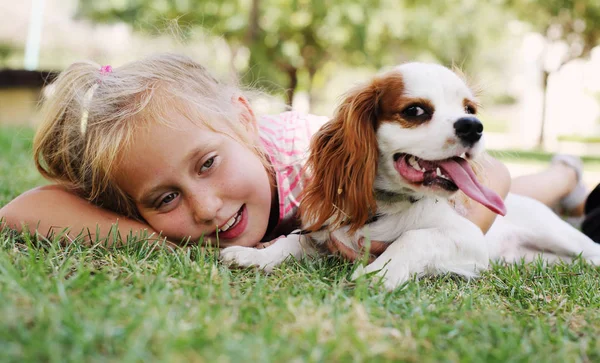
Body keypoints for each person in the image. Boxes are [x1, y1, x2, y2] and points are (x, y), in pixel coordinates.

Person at [0, 53, 512, 252]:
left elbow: (497, 176)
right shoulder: (139, 179)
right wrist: (156, 241)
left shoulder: (310, 155)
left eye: (207, 164)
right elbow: (21, 210)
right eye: (164, 199)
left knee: (527, 198)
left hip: (416, 195)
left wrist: (449, 235)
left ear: (245, 121)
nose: (205, 208)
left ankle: (561, 178)